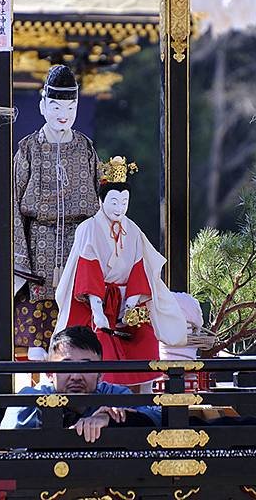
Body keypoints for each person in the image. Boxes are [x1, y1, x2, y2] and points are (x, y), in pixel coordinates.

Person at [54, 157, 189, 387]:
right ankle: (104, 397)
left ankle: (146, 396)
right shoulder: (89, 228)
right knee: (100, 341)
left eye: (124, 202)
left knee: (144, 338)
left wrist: (129, 305)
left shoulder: (132, 229)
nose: (120, 208)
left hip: (126, 299)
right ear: (101, 200)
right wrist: (98, 311)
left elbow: (139, 269)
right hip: (95, 300)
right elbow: (89, 269)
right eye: (114, 202)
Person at [11, 65, 101, 359]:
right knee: (38, 328)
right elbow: (12, 203)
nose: (64, 113)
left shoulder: (85, 148)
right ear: (42, 106)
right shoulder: (27, 149)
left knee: (76, 321)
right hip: (38, 246)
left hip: (77, 242)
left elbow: (99, 202)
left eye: (71, 106)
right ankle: (36, 385)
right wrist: (20, 257)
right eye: (56, 105)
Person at [0, 326, 160, 441]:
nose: (76, 376)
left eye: (86, 366)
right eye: (66, 366)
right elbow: (6, 437)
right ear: (49, 372)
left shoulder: (114, 396)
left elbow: (157, 417)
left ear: (101, 373)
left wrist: (112, 419)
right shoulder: (32, 397)